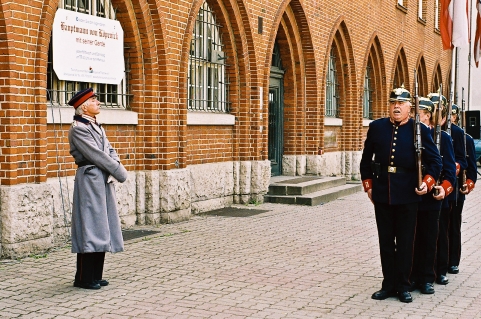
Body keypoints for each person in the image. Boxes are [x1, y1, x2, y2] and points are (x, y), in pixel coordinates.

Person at [360, 87, 442, 303]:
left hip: (408, 193)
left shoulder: (420, 129)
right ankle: (388, 284)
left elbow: (435, 162)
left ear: (409, 108)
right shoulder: (377, 127)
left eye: (401, 103)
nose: (396, 106)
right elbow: (366, 159)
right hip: (383, 192)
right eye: (393, 103)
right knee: (386, 241)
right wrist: (368, 185)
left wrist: (426, 183)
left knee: (405, 242)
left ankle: (403, 285)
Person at [68, 88, 128, 290]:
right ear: (83, 106)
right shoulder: (78, 128)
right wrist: (119, 171)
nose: (98, 102)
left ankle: (96, 275)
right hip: (90, 179)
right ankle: (84, 278)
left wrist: (117, 163)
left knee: (102, 225)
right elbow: (97, 155)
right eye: (94, 100)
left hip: (102, 178)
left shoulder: (96, 125)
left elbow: (110, 150)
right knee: (90, 226)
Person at [411, 97, 456, 295]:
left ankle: (427, 278)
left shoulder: (443, 138)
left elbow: (449, 169)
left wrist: (443, 189)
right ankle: (411, 276)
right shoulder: (409, 134)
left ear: (427, 115)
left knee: (430, 239)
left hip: (432, 197)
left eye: (417, 113)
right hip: (411, 196)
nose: (414, 116)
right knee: (411, 239)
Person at [435, 102, 468, 285]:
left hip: (452, 188)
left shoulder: (459, 135)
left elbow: (464, 161)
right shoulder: (429, 132)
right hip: (436, 185)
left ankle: (452, 261)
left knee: (452, 227)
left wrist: (453, 169)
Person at [447, 104, 477, 275]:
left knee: (453, 225)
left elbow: (472, 169)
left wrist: (469, 184)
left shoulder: (465, 139)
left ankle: (453, 261)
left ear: (456, 117)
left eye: (452, 114)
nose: (449, 117)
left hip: (456, 188)